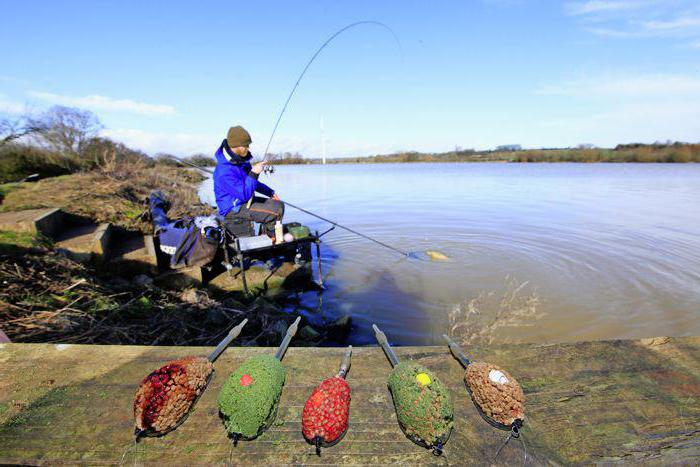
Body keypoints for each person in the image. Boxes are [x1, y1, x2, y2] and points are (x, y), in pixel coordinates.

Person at [213, 125, 284, 237]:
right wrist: (254, 173)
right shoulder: (223, 171)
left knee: (279, 204)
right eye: (246, 145)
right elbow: (244, 194)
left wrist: (270, 192)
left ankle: (266, 237)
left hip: (244, 200)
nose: (248, 148)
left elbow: (251, 183)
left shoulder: (240, 161)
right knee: (275, 211)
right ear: (237, 146)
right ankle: (272, 240)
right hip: (233, 208)